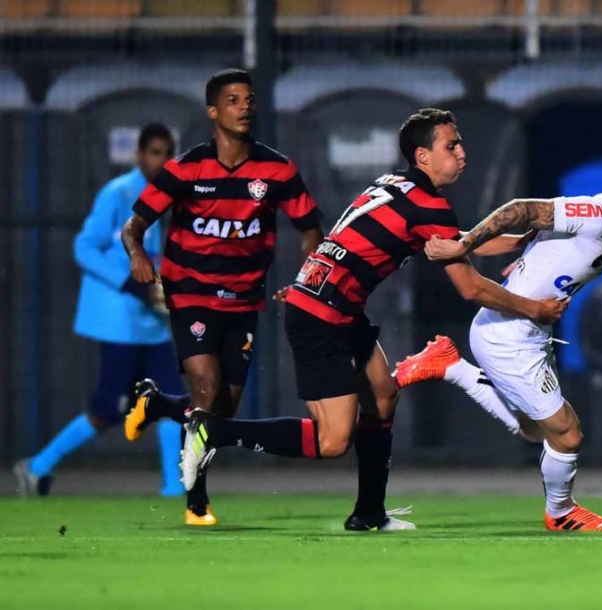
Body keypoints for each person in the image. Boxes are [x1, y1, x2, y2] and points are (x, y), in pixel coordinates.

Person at [179, 108, 567, 531]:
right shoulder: (428, 205)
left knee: (382, 396)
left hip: (333, 305)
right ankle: (215, 431)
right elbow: (470, 287)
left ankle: (368, 515)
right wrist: (534, 309)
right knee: (333, 441)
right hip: (321, 315)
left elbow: (453, 244)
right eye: (451, 145)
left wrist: (520, 239)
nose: (462, 152)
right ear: (423, 156)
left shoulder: (397, 185)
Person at [395, 136, 602, 532]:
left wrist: (530, 258)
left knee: (534, 429)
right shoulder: (600, 211)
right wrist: (463, 245)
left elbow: (546, 240)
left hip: (525, 333)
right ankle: (561, 511)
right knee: (567, 434)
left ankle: (451, 366)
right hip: (509, 335)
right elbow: (520, 210)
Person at [120, 69, 324, 526]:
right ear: (213, 112)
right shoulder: (187, 169)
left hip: (244, 300)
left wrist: (308, 276)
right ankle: (197, 501)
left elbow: (310, 228)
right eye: (234, 100)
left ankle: (156, 405)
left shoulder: (278, 169)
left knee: (218, 413)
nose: (245, 107)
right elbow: (133, 226)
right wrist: (137, 255)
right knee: (207, 388)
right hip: (190, 292)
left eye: (249, 99)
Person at [13, 123, 185, 498]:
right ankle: (37, 466)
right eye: (154, 152)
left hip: (152, 323)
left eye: (167, 152)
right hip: (119, 321)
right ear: (139, 155)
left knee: (172, 401)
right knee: (108, 408)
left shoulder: (172, 199)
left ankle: (174, 488)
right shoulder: (118, 193)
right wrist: (128, 283)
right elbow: (85, 247)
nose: (161, 159)